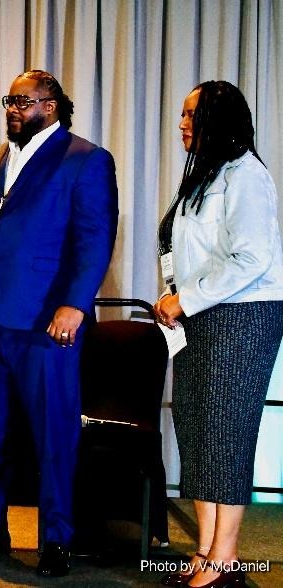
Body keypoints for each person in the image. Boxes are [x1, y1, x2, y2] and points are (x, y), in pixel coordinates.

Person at [0, 70, 118, 577]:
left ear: (51, 106)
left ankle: (57, 538)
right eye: (9, 101)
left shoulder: (85, 159)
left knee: (53, 434)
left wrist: (75, 304)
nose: (12, 109)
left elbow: (94, 237)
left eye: (23, 101)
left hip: (49, 321)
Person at [154, 81, 283, 588]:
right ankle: (205, 550)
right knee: (197, 431)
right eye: (182, 114)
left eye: (192, 114)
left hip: (242, 317)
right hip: (200, 316)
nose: (182, 124)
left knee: (226, 433)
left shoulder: (247, 175)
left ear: (219, 119)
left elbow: (253, 258)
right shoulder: (203, 176)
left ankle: (224, 561)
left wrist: (186, 298)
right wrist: (175, 297)